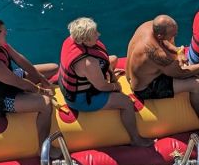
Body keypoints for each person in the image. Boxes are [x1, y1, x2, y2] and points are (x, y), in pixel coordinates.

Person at [0, 17, 59, 154]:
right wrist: (42, 91)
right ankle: (44, 149)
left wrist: (41, 78)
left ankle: (38, 86)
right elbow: (19, 83)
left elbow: (19, 59)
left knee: (53, 68)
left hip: (7, 78)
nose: (7, 33)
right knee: (45, 104)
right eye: (4, 33)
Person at [58, 17, 154, 147]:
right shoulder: (88, 63)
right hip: (82, 99)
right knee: (126, 102)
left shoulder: (70, 41)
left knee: (113, 59)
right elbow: (102, 86)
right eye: (94, 34)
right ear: (84, 40)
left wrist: (112, 75)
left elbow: (103, 61)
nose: (99, 35)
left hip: (84, 80)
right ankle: (135, 138)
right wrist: (115, 85)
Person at [126, 15, 199, 134]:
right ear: (160, 35)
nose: (175, 37)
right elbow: (181, 74)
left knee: (173, 52)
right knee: (196, 84)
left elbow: (165, 42)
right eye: (172, 34)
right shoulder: (157, 54)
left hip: (130, 75)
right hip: (144, 87)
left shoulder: (147, 26)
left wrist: (177, 51)